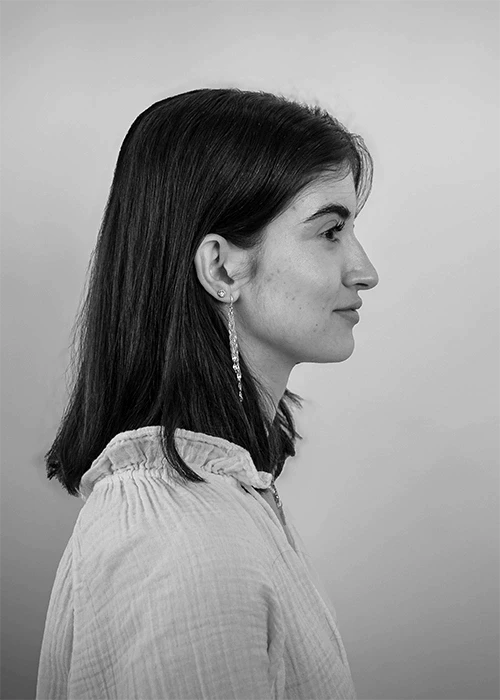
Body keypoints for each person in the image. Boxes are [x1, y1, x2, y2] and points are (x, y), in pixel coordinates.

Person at [36, 88, 379, 700]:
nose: (365, 270)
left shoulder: (218, 504)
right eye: (330, 232)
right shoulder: (177, 544)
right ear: (221, 269)